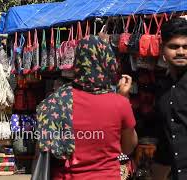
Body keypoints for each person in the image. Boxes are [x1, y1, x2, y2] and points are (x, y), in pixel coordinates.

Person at [35, 35, 137, 180]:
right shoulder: (120, 103)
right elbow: (128, 147)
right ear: (109, 62)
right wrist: (123, 97)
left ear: (78, 63)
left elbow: (43, 150)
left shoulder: (56, 101)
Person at [148, 17, 187, 180]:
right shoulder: (163, 88)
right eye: (174, 47)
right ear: (163, 49)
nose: (181, 52)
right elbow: (166, 136)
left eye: (186, 47)